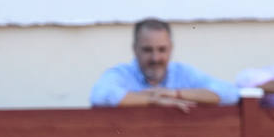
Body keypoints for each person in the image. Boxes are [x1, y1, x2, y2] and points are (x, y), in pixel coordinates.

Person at [89, 18, 238, 109]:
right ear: (134, 49)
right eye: (148, 50)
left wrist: (175, 94)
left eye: (162, 50)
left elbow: (230, 93)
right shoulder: (121, 73)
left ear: (171, 49)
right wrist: (155, 100)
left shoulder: (182, 73)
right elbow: (100, 95)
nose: (155, 58)